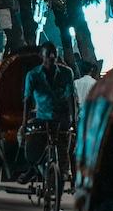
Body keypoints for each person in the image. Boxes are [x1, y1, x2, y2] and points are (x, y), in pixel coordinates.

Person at [18, 41, 75, 183]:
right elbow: (27, 99)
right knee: (25, 139)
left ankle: (68, 174)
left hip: (62, 119)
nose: (51, 56)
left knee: (66, 149)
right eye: (48, 54)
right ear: (41, 56)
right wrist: (24, 123)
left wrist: (73, 119)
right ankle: (33, 167)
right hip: (41, 118)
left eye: (53, 53)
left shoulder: (67, 73)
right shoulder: (33, 75)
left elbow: (70, 97)